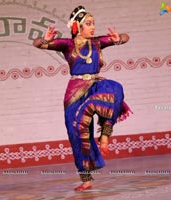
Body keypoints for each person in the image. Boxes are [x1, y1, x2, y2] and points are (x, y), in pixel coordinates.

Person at [33, 5, 132, 191]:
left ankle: (105, 136)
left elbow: (127, 37)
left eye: (93, 23)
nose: (93, 27)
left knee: (115, 90)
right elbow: (37, 44)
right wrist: (43, 40)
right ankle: (86, 178)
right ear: (78, 26)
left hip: (95, 84)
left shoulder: (97, 42)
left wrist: (119, 40)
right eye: (88, 24)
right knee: (76, 133)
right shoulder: (67, 45)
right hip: (75, 92)